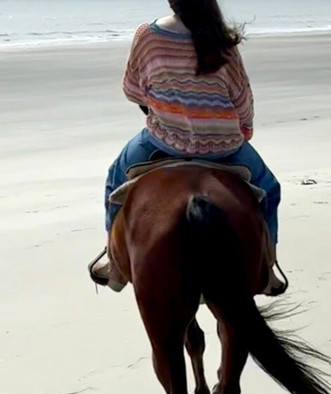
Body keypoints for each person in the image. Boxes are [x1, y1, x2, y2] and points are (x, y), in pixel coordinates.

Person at [90, 0, 286, 295]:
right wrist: (245, 129)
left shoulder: (148, 36)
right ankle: (268, 268)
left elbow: (132, 89)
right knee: (269, 189)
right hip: (224, 146)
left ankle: (115, 265)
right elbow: (242, 97)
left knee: (114, 180)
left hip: (163, 141)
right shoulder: (221, 40)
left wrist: (162, 102)